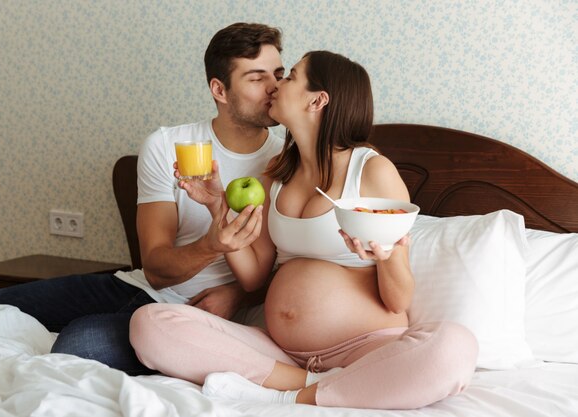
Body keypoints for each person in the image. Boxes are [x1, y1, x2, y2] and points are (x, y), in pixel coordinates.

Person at [129, 51, 479, 409]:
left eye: (290, 76)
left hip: (367, 347)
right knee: (150, 324)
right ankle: (316, 386)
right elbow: (254, 278)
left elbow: (399, 300)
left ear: (318, 100)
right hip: (282, 353)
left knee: (454, 345)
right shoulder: (275, 173)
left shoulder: (372, 171)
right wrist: (217, 206)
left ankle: (303, 393)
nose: (277, 85)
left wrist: (386, 259)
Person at [0, 22, 285, 376]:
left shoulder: (286, 162)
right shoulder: (170, 146)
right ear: (219, 90)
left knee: (77, 345)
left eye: (279, 74)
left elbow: (282, 267)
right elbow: (157, 271)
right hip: (142, 287)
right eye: (257, 78)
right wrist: (212, 245)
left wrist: (240, 295)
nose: (274, 88)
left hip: (190, 315)